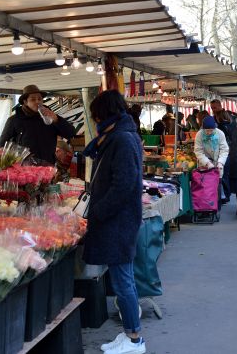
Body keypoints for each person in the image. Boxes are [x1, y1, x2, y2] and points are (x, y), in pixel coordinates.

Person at [82, 90, 146, 354]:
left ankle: (134, 339)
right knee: (123, 281)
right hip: (118, 219)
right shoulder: (117, 136)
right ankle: (129, 334)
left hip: (119, 221)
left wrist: (98, 210)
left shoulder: (121, 140)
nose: (95, 119)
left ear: (105, 113)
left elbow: (124, 185)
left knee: (123, 282)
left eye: (97, 113)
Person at [0, 84, 76, 165]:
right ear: (25, 102)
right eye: (33, 99)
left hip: (47, 167)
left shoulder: (50, 118)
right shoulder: (14, 120)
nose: (37, 102)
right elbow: (1, 146)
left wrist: (57, 119)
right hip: (23, 170)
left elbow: (71, 133)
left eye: (39, 99)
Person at [194, 116, 230, 210]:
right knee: (206, 185)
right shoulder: (199, 135)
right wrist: (207, 163)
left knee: (217, 183)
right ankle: (205, 205)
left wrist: (220, 162)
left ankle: (217, 205)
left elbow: (224, 150)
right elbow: (198, 151)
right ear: (203, 128)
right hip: (205, 163)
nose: (209, 132)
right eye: (207, 130)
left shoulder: (220, 133)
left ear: (214, 128)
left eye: (211, 130)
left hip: (217, 161)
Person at [214, 110, 235, 203]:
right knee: (226, 174)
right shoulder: (233, 125)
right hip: (231, 151)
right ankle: (227, 194)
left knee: (222, 175)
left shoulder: (221, 127)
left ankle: (225, 195)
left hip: (223, 152)